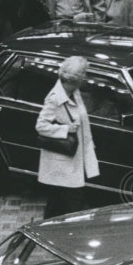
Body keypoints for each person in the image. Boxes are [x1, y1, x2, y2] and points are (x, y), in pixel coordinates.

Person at [36, 56, 99, 218]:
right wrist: (65, 129)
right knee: (72, 204)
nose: (86, 77)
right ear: (75, 78)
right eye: (84, 73)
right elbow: (41, 126)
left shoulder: (74, 92)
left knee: (56, 205)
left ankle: (45, 234)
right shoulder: (55, 98)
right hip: (62, 164)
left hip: (73, 160)